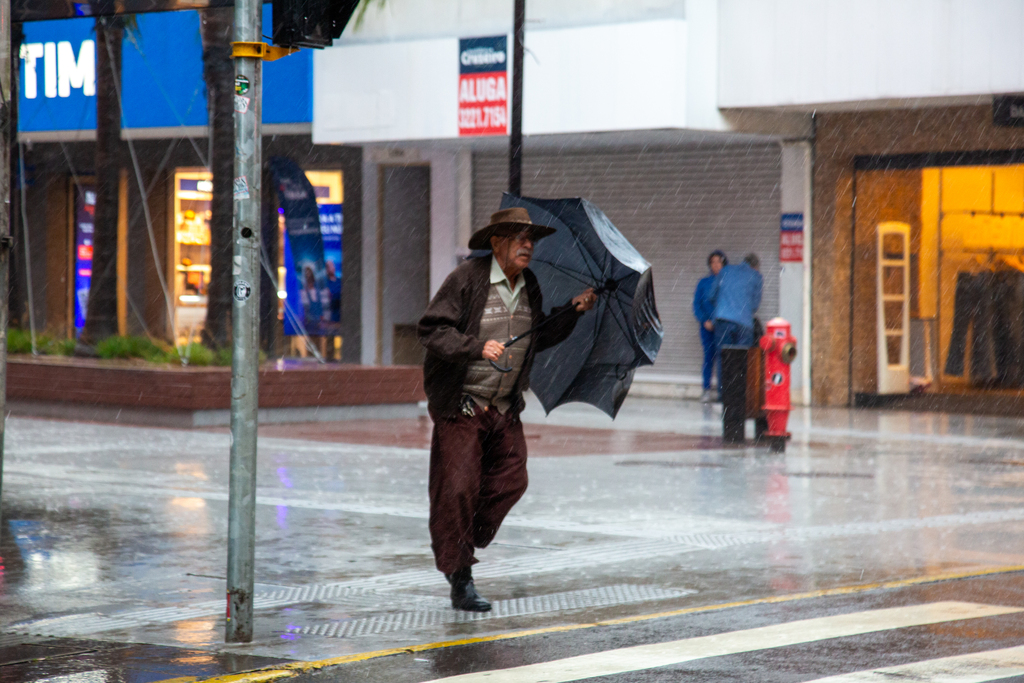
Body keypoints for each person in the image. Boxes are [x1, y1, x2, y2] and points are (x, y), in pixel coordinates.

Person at [418, 207, 596, 612]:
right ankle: (460, 576)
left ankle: (460, 534)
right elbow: (431, 330)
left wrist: (573, 310)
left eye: (531, 239)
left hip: (503, 405)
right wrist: (475, 347)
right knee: (458, 488)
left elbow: (536, 336)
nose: (529, 246)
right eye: (520, 238)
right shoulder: (467, 278)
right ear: (497, 242)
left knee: (512, 479)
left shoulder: (528, 284)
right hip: (462, 404)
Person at [711, 252, 763, 353]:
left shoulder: (725, 270)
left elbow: (711, 295)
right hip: (744, 324)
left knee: (723, 359)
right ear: (755, 266)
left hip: (723, 321)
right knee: (742, 360)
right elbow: (755, 305)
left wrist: (723, 307)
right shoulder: (756, 276)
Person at [693, 250, 726, 402]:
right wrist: (704, 320)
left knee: (723, 358)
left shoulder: (727, 282)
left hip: (723, 326)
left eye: (719, 261)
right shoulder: (703, 283)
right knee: (708, 357)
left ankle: (722, 392)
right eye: (713, 262)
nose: (716, 265)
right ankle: (706, 389)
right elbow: (696, 305)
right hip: (706, 327)